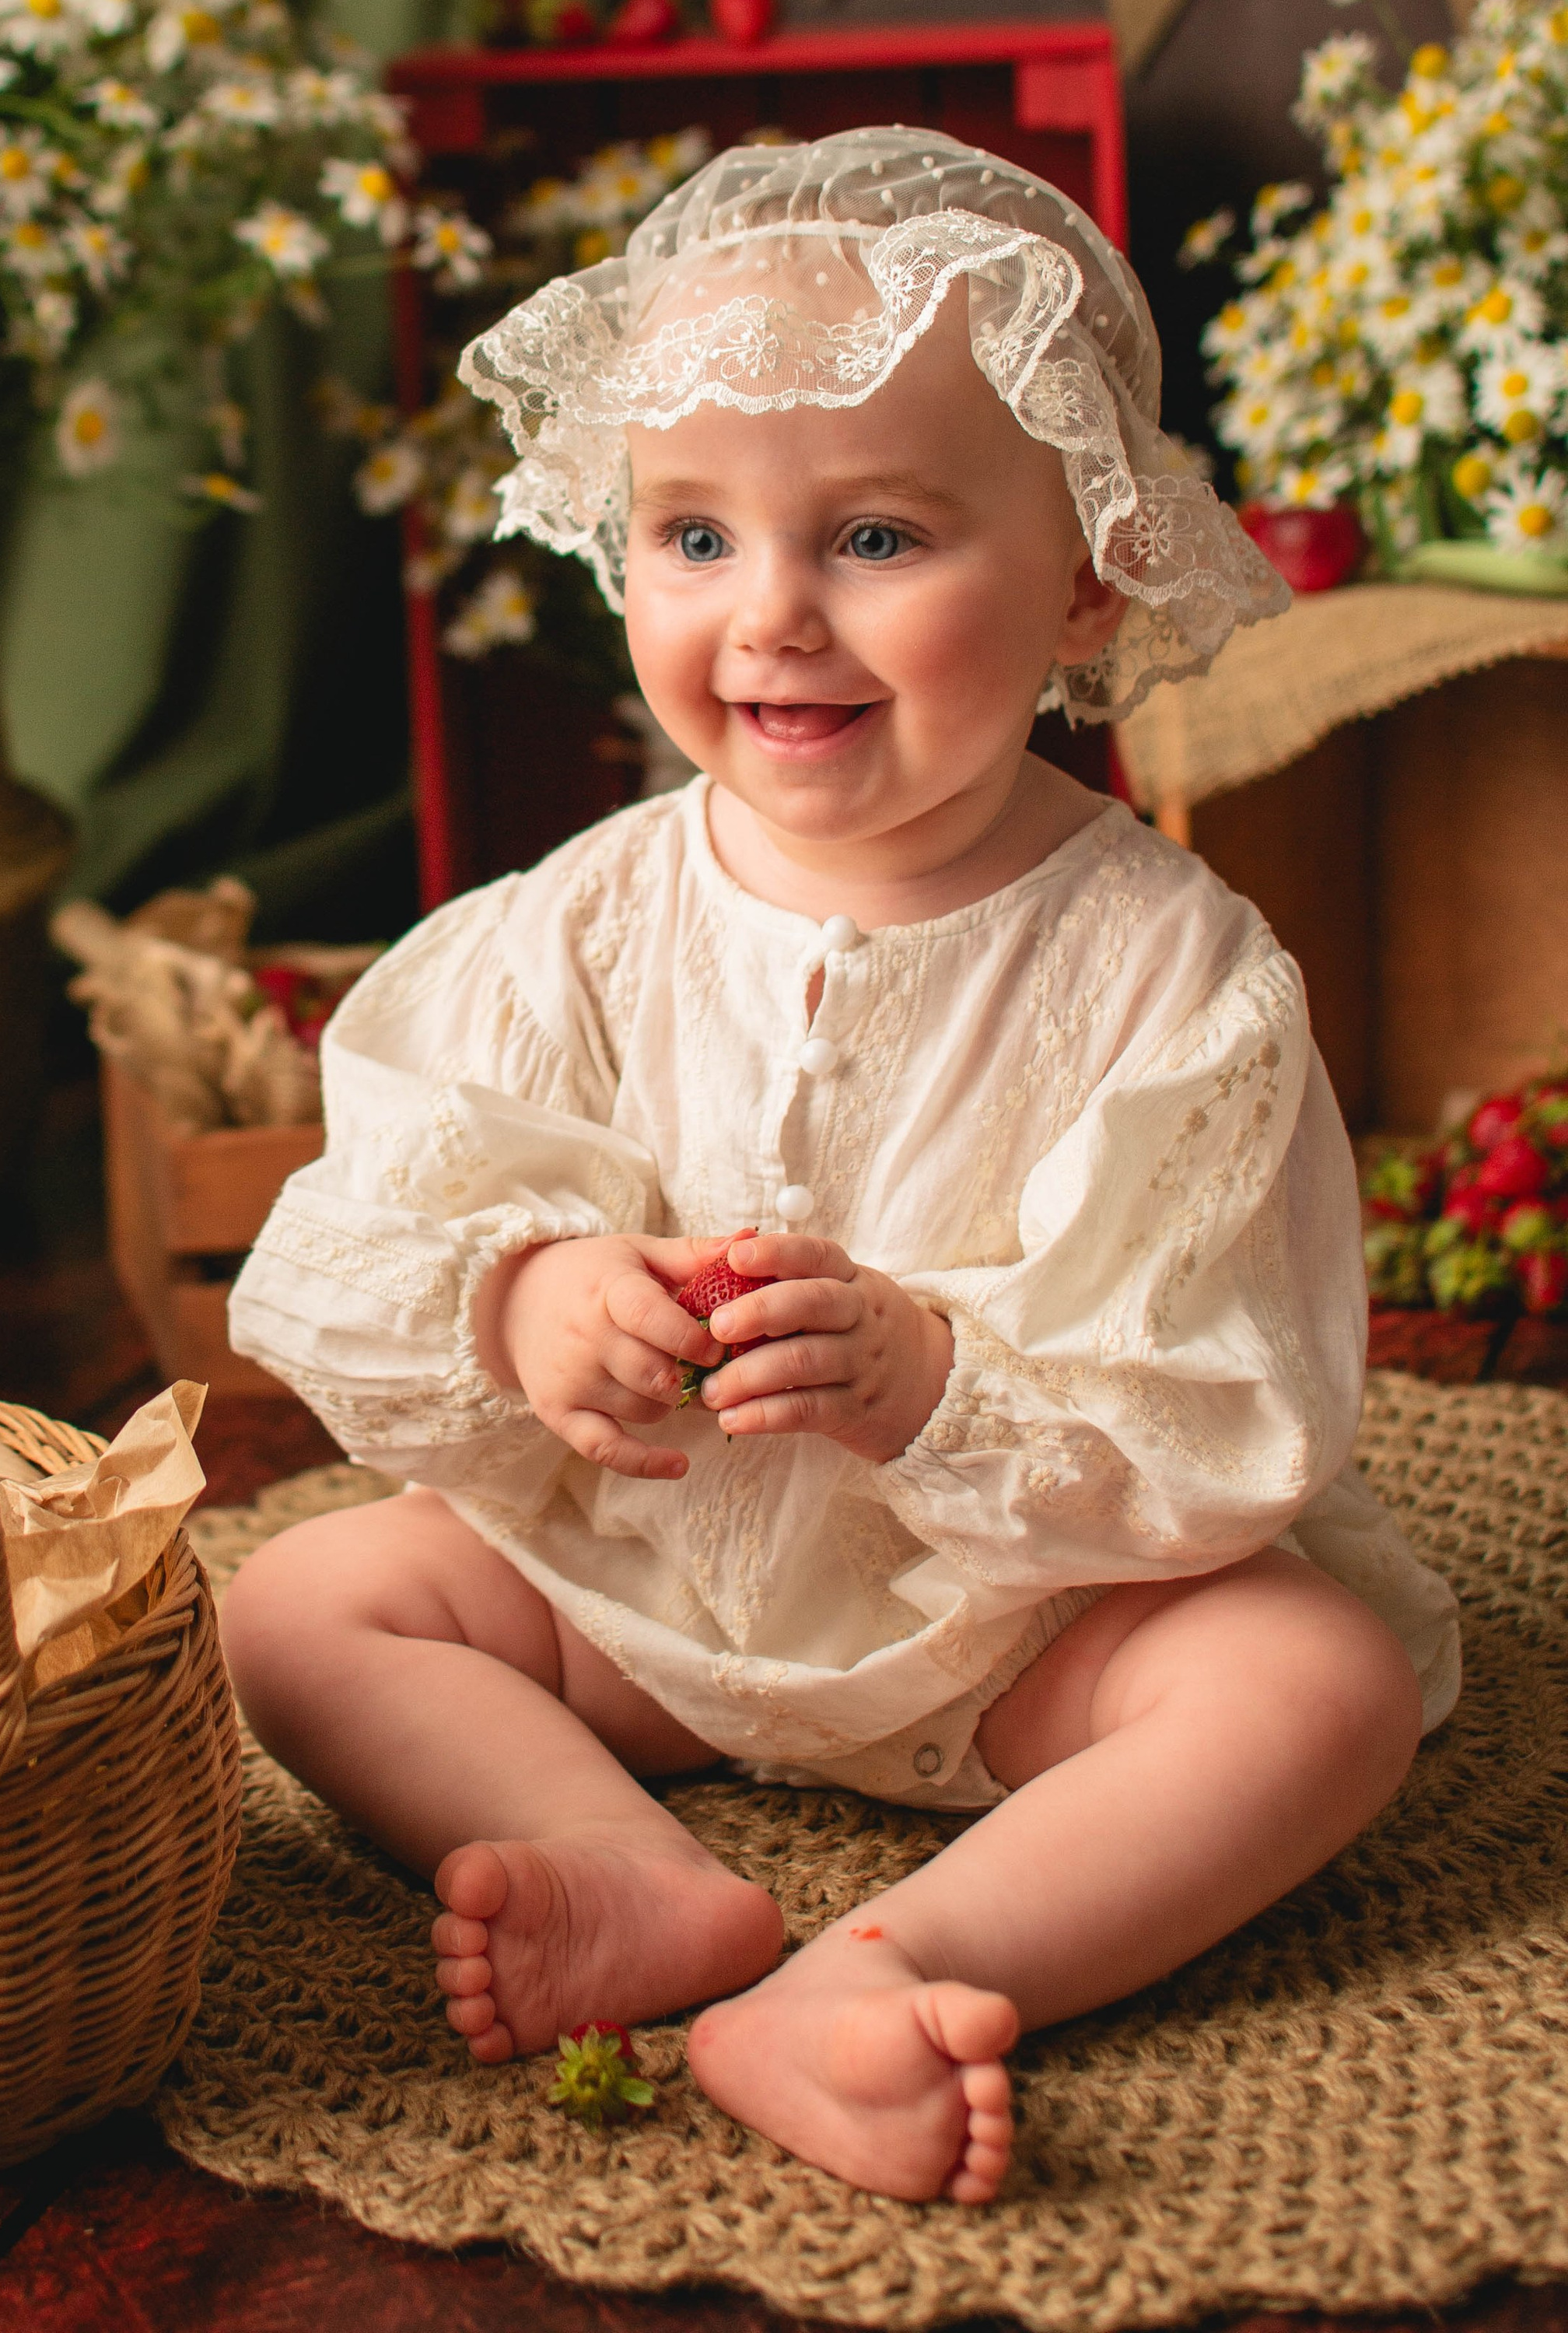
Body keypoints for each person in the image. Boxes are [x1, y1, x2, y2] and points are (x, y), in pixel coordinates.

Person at [222, 129, 1460, 2204]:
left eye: (876, 536)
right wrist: (525, 1298)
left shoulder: (1172, 969)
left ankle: (893, 1966)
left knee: (1312, 1687)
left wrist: (932, 1380)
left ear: (1087, 574)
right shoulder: (584, 924)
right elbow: (391, 1200)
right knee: (303, 1602)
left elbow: (1224, 1385)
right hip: (643, 1599)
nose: (773, 614)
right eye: (693, 536)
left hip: (1023, 1628)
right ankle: (635, 1875)